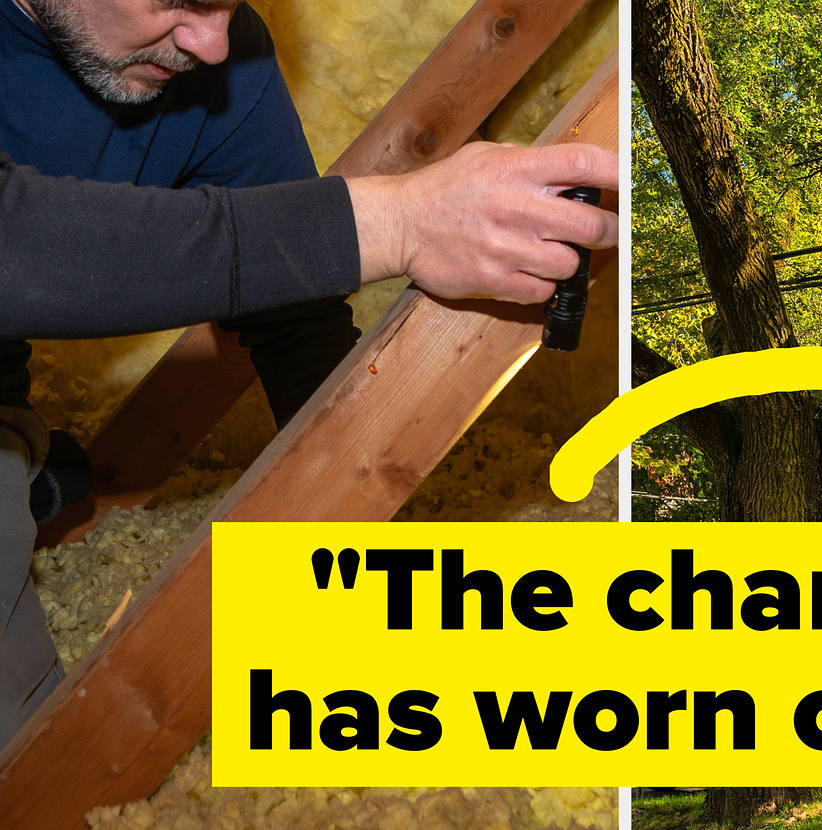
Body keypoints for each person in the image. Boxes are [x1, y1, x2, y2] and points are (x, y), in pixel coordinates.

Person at [0, 0, 618, 748]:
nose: (214, 41)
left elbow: (294, 318)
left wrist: (374, 567)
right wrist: (394, 222)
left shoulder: (222, 56)